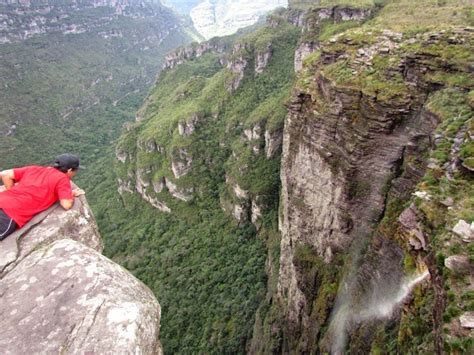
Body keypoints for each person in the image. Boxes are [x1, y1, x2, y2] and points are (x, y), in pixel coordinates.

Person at [0, 153, 85, 240]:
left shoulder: (35, 169)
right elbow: (66, 204)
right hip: (9, 214)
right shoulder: (62, 179)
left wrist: (11, 193)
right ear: (70, 170)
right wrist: (70, 195)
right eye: (75, 171)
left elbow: (5, 174)